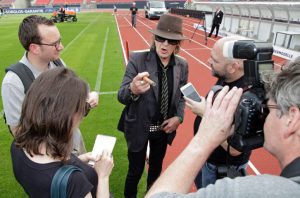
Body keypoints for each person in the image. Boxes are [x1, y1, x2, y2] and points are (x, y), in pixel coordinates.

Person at [146, 60, 300, 197]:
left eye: (267, 109)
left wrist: (205, 137)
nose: (263, 117)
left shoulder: (259, 191)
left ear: (292, 119)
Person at [1, 15, 99, 155]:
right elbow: (19, 133)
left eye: (60, 41)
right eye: (55, 44)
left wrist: (88, 97)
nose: (61, 47)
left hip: (73, 141)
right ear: (34, 48)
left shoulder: (57, 63)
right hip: (48, 157)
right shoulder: (13, 82)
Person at [11, 68, 114, 197]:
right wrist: (103, 177)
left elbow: (48, 170)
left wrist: (81, 159)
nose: (83, 116)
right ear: (66, 116)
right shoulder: (74, 181)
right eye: (84, 108)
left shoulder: (18, 144)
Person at [117, 14, 188, 198]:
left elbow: (182, 95)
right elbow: (121, 96)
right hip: (138, 127)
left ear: (177, 44)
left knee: (156, 173)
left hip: (162, 131)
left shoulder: (183, 65)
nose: (164, 44)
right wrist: (133, 89)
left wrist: (179, 118)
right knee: (135, 172)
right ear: (154, 38)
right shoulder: (137, 60)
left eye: (170, 41)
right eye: (160, 38)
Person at [186, 36, 250, 189]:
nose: (209, 61)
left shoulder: (246, 98)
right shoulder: (227, 77)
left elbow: (235, 150)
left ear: (233, 67)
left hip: (220, 168)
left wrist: (204, 113)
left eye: (215, 60)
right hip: (208, 158)